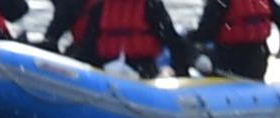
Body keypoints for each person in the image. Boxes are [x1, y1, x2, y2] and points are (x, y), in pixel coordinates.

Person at [42, 0, 189, 76]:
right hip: (104, 71)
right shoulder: (101, 8)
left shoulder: (151, 6)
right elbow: (89, 47)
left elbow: (174, 42)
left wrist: (182, 75)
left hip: (142, 72)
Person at [191, 0, 280, 80]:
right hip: (258, 62)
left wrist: (186, 39)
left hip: (228, 62)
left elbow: (204, 33)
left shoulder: (219, 2)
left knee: (192, 48)